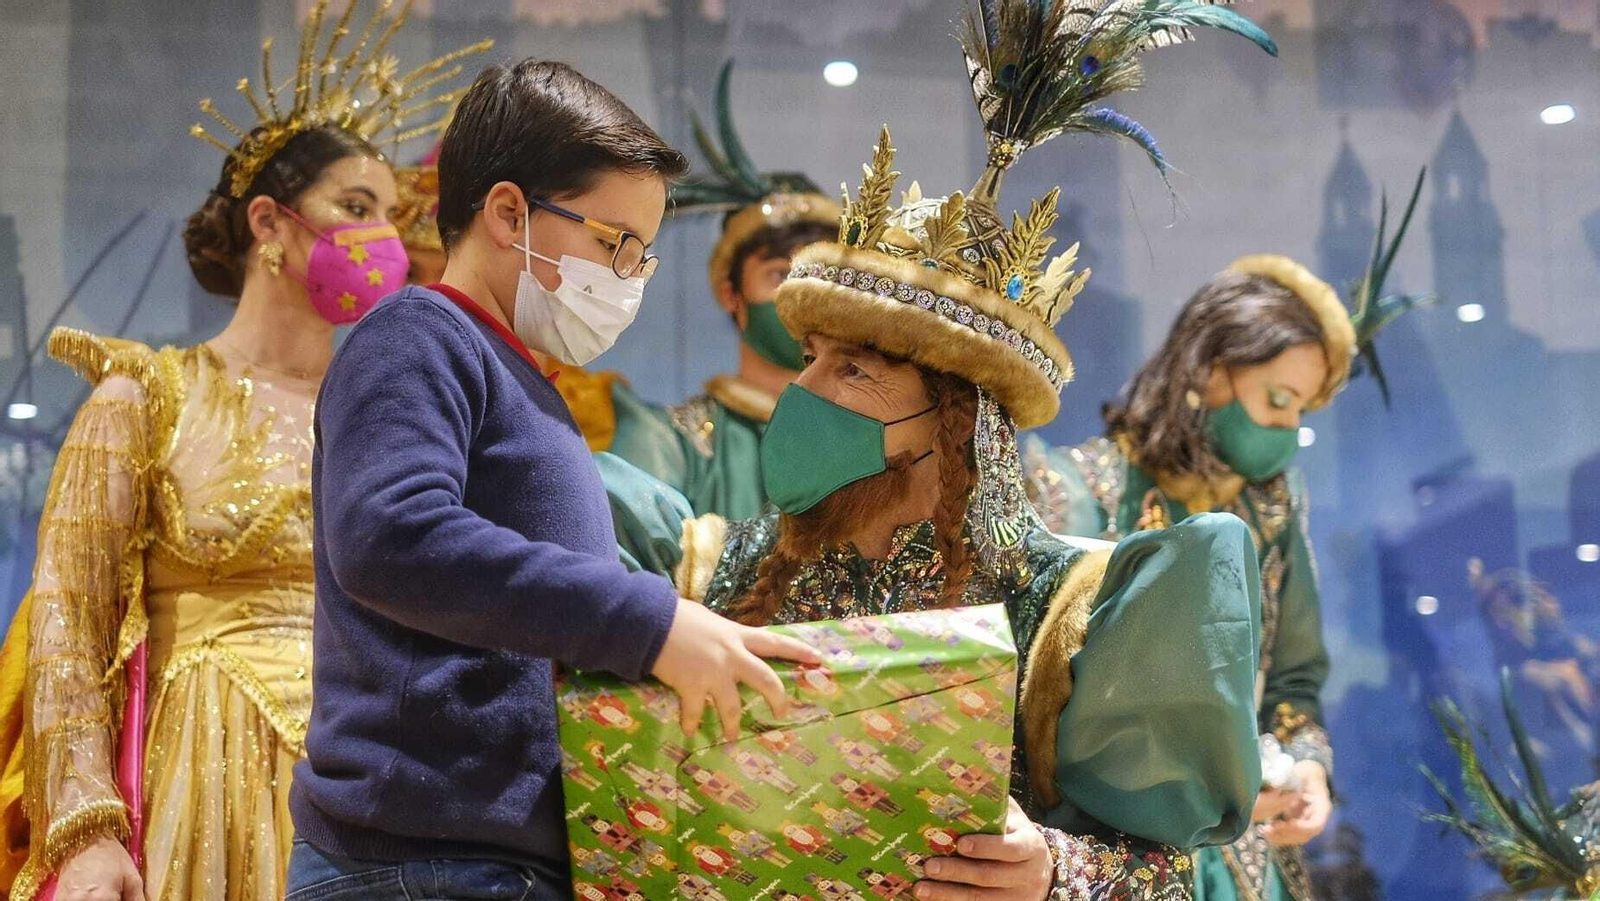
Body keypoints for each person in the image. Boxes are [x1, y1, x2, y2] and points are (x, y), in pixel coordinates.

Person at [617, 4, 1283, 897]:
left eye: (855, 370)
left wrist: (1055, 871)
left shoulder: (1073, 615)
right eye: (811, 357)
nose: (804, 391)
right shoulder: (708, 569)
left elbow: (1175, 870)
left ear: (954, 419)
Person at [286, 58, 816, 901]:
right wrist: (649, 624)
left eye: (641, 257)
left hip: (492, 858)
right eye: (613, 244)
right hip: (421, 859)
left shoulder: (525, 380)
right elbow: (390, 536)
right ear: (508, 212)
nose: (628, 279)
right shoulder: (418, 335)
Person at [2, 5, 488, 899]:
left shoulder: (393, 419)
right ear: (269, 221)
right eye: (355, 208)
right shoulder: (146, 398)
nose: (385, 239)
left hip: (373, 790)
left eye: (390, 215)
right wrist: (85, 830)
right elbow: (68, 631)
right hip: (204, 777)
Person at [1024, 174, 1430, 901]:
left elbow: (1294, 681)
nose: (1287, 429)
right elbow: (1031, 695)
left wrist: (1308, 769)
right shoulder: (1075, 489)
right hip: (1102, 853)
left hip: (1250, 857)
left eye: (1300, 412)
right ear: (1209, 370)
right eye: (1276, 400)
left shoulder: (1272, 509)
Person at [604, 61, 839, 519]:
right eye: (779, 275)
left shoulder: (880, 439)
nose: (805, 297)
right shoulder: (669, 443)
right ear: (731, 294)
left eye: (824, 278)